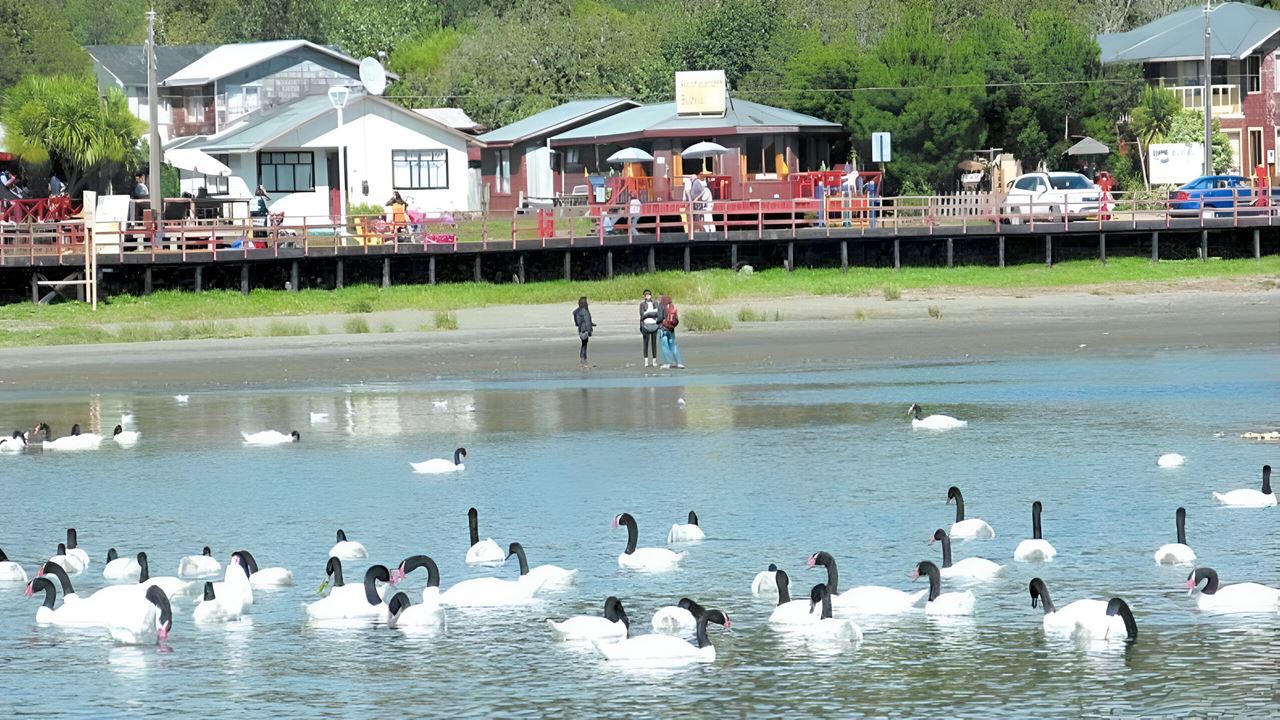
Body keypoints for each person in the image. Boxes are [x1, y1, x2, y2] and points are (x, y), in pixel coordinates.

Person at [658, 294, 684, 369]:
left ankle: (667, 363)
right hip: (671, 329)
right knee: (674, 345)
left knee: (665, 346)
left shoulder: (661, 306)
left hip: (663, 329)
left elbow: (660, 317)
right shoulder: (672, 306)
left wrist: (658, 322)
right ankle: (679, 363)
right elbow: (676, 319)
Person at [639, 289, 661, 367]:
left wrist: (648, 313)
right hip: (645, 326)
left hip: (654, 325)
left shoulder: (655, 303)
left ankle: (654, 361)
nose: (647, 296)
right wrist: (651, 313)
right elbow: (642, 315)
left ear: (651, 295)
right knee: (646, 343)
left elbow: (657, 313)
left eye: (649, 294)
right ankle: (646, 361)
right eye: (646, 294)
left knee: (654, 343)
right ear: (644, 296)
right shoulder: (642, 304)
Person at [573, 296, 596, 368]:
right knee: (584, 344)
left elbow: (577, 323)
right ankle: (583, 359)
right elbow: (587, 321)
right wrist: (590, 330)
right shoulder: (584, 311)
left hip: (580, 329)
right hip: (584, 330)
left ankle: (583, 358)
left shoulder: (576, 311)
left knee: (583, 344)